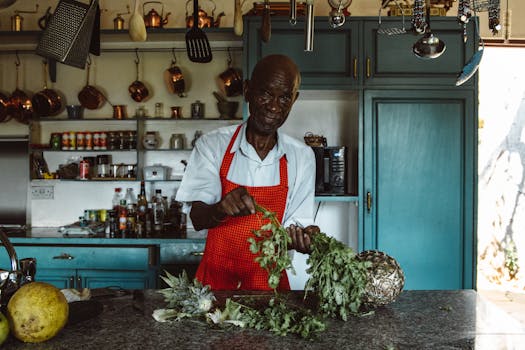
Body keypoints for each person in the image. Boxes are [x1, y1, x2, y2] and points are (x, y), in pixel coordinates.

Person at [175, 54, 318, 291]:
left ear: (294, 99)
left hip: (268, 285)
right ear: (248, 90)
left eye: (284, 98)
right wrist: (220, 208)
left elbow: (296, 225)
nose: (274, 106)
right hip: (216, 284)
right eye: (265, 94)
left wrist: (304, 238)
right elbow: (197, 219)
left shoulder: (301, 157)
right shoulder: (213, 145)